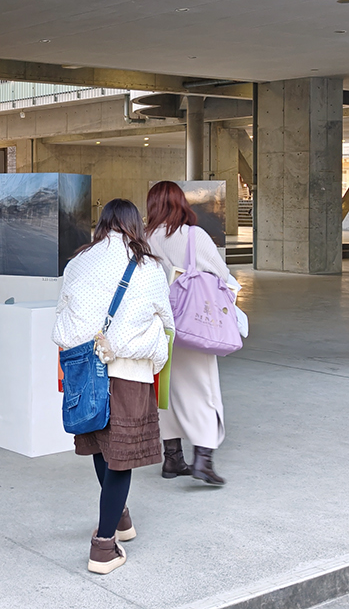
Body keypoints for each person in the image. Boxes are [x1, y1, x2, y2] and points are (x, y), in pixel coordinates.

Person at [53, 198, 174, 576]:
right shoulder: (149, 267)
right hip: (130, 373)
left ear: (102, 223)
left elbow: (62, 315)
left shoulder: (78, 262)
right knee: (121, 456)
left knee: (100, 445)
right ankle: (104, 547)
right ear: (135, 225)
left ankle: (119, 517)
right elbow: (167, 322)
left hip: (87, 370)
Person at [144, 181, 241, 487]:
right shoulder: (193, 236)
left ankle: (172, 458)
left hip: (160, 326)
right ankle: (203, 459)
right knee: (204, 389)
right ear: (180, 203)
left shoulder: (145, 238)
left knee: (167, 392)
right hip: (194, 324)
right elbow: (221, 274)